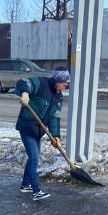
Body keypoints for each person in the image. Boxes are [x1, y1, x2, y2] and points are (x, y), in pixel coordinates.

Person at [14, 67, 70, 202]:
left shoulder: (58, 96)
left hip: (38, 130)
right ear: (57, 80)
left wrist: (55, 135)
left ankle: (25, 184)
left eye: (66, 85)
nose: (64, 87)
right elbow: (23, 83)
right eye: (63, 84)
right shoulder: (41, 83)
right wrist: (24, 93)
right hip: (27, 127)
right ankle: (36, 191)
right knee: (34, 159)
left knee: (34, 158)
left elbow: (54, 117)